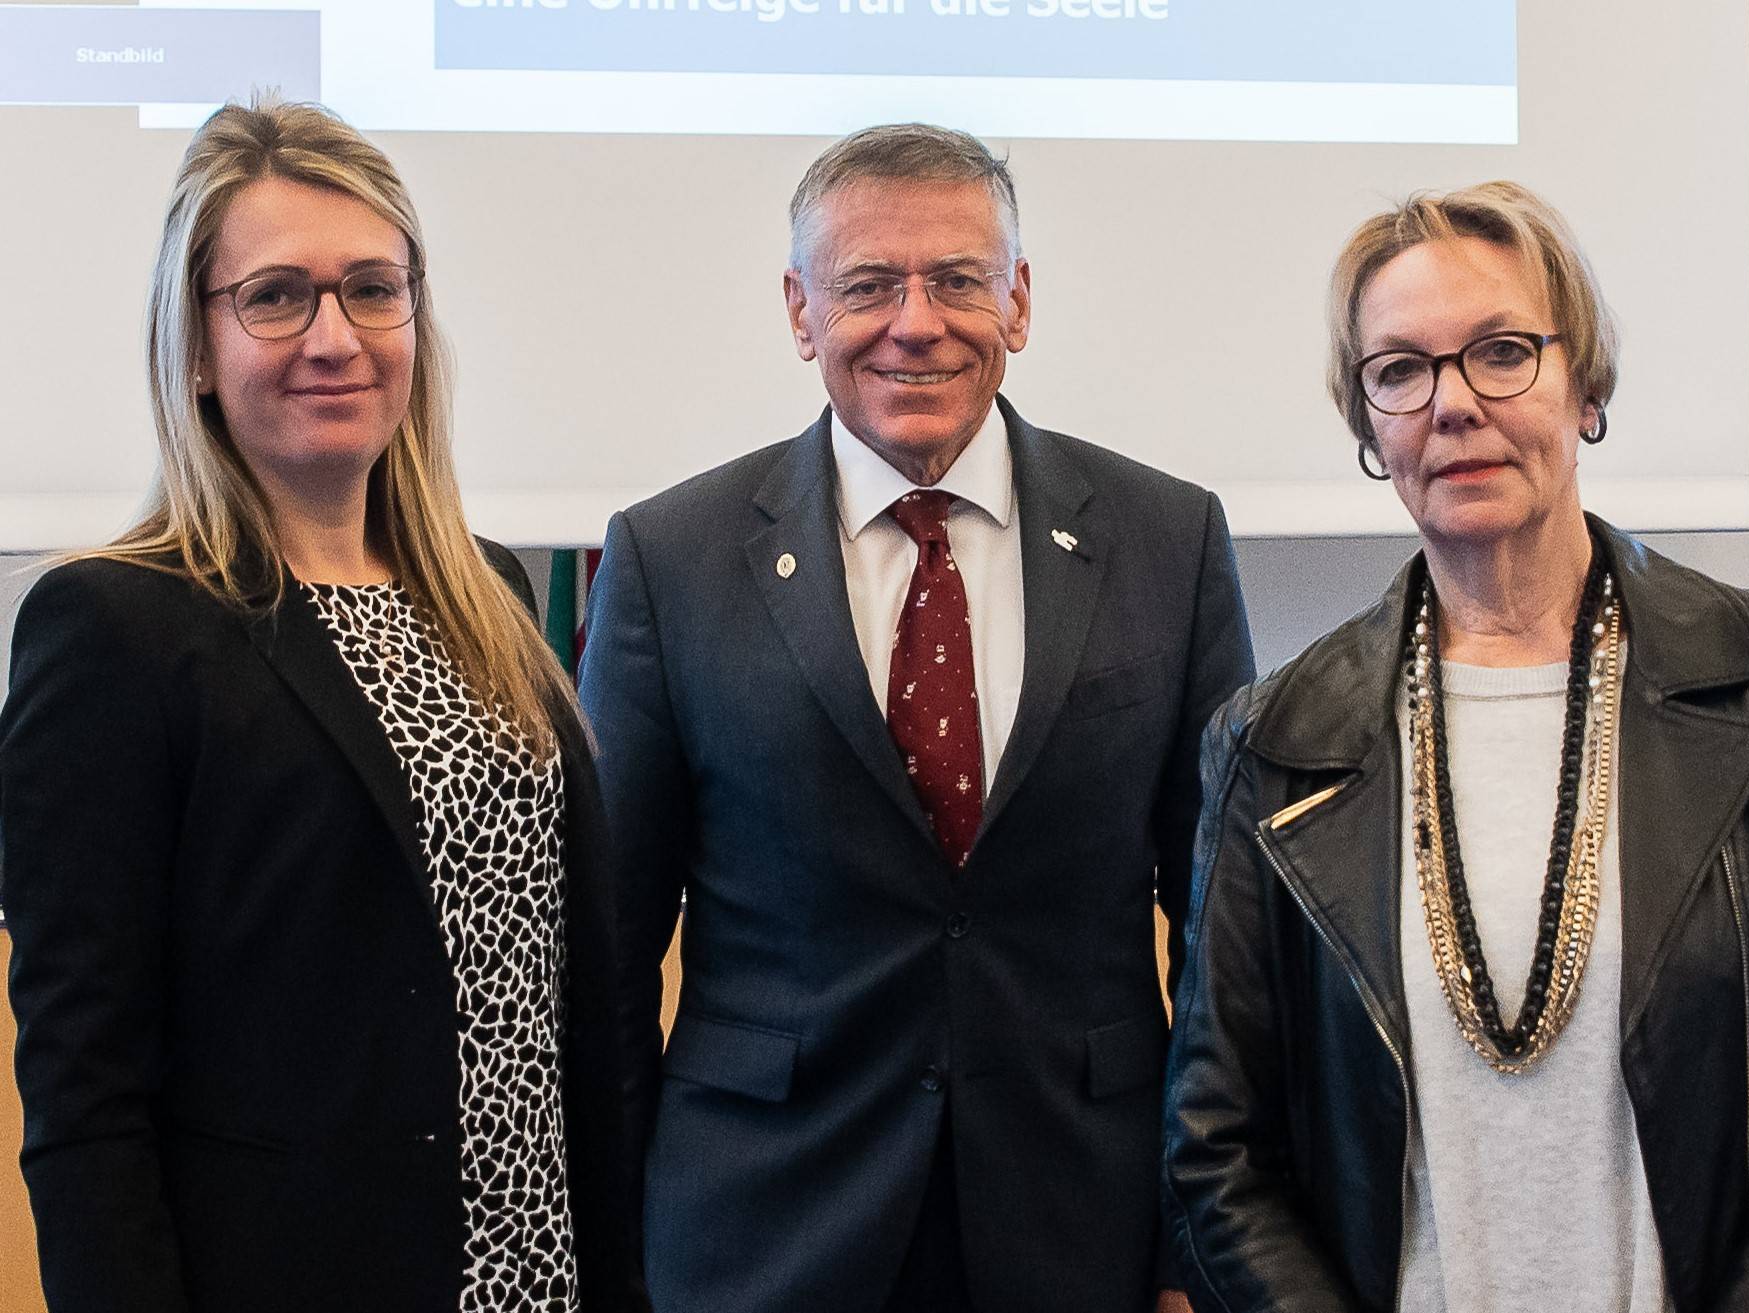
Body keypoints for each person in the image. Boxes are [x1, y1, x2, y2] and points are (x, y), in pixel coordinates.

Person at [1161, 178, 1749, 1313]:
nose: (1451, 403)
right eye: (1400, 370)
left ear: (1586, 385)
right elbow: (1216, 1146)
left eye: (1500, 351)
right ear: (1368, 425)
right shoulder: (1273, 738)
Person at [579, 122, 1254, 1313]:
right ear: (800, 312)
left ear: (1019, 298)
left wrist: (1189, 1245)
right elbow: (613, 950)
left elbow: (1221, 940)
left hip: (1077, 1219)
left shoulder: (1169, 539)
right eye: (867, 285)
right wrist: (621, 1250)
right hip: (758, 1227)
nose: (915, 321)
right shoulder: (668, 558)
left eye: (956, 279)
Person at [0, 98, 630, 1313]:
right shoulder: (116, 628)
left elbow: (573, 1003)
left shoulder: (489, 593)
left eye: (371, 290)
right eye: (277, 294)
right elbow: (85, 1094)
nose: (333, 336)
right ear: (195, 344)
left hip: (539, 1276)